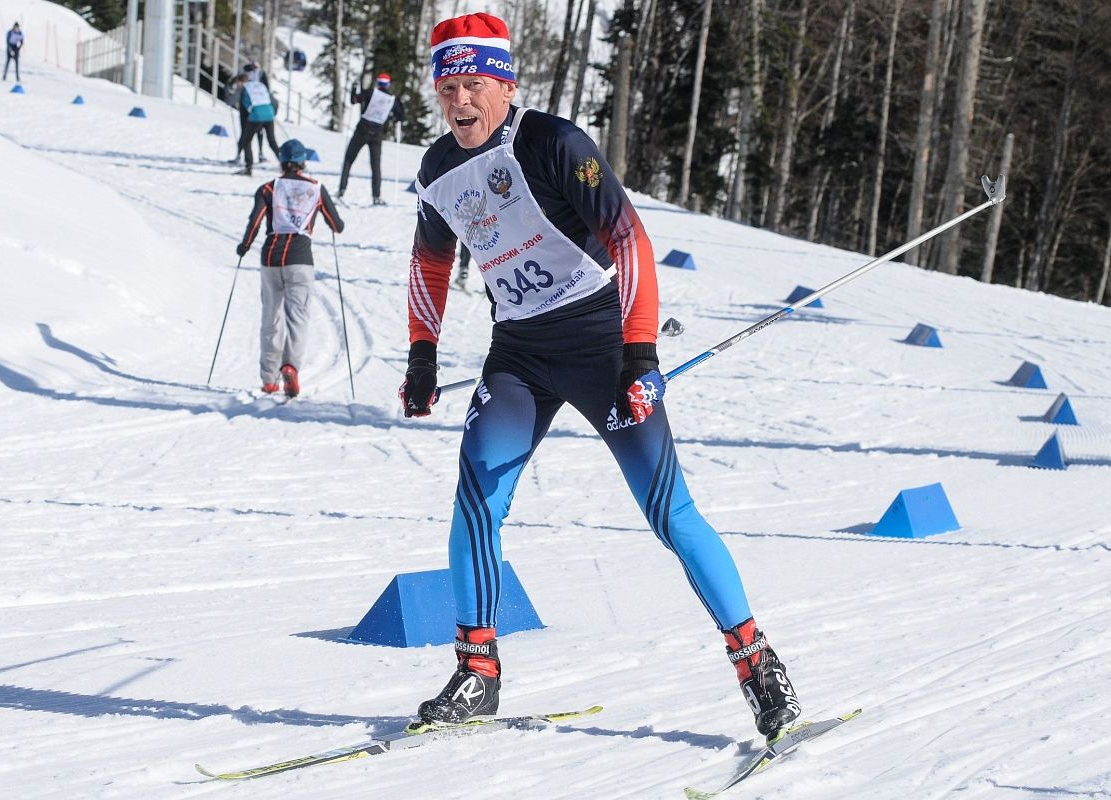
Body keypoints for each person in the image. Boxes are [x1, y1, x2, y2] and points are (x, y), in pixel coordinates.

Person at [398, 13, 802, 740]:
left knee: (667, 511)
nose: (459, 102)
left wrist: (640, 354)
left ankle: (757, 662)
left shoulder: (553, 143)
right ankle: (477, 672)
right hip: (518, 355)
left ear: (504, 83)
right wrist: (422, 354)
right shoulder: (435, 169)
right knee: (476, 498)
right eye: (447, 87)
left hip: (599, 343)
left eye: (473, 86)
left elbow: (628, 236)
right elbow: (430, 262)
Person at [235, 139, 344, 397]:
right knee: (297, 319)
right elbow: (337, 225)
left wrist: (245, 245)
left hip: (271, 259)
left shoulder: (269, 188)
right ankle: (291, 367)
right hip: (300, 259)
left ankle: (269, 380)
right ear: (303, 162)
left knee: (271, 318)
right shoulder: (316, 188)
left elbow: (255, 221)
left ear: (282, 161)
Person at [338, 72, 405, 206]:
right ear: (388, 84)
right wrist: (395, 117)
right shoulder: (393, 99)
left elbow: (354, 100)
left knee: (349, 159)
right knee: (375, 166)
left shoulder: (370, 93)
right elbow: (401, 116)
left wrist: (354, 88)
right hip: (377, 133)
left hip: (362, 130)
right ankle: (376, 196)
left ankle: (341, 190)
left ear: (377, 83)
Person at [234, 72, 281, 177]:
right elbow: (272, 100)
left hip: (256, 115)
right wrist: (272, 112)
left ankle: (248, 167)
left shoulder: (245, 88)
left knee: (246, 140)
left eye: (238, 83)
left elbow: (244, 105)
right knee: (272, 141)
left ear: (241, 81)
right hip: (269, 114)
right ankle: (285, 164)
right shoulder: (260, 85)